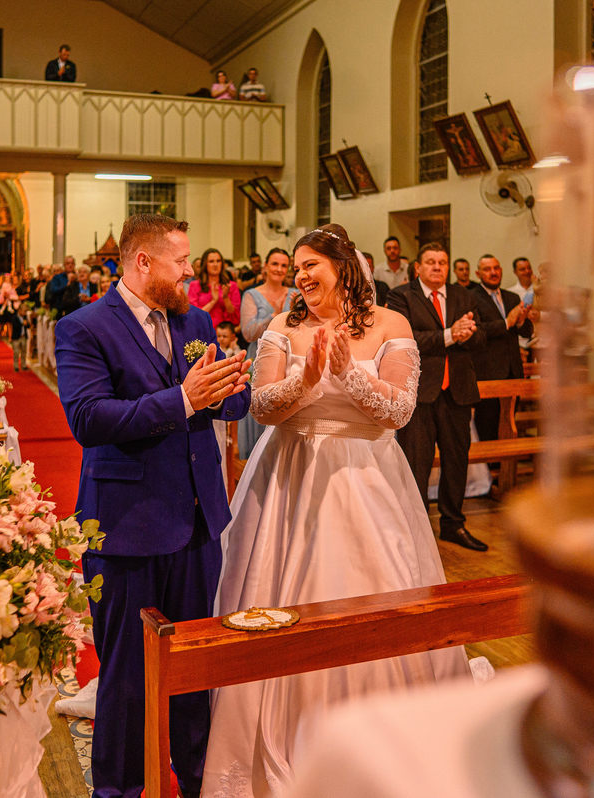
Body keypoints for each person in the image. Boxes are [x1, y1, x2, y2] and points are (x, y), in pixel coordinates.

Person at [202, 225, 469, 796]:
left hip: (368, 479)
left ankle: (387, 732)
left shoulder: (391, 326)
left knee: (378, 593)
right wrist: (307, 377)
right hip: (291, 476)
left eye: (309, 264)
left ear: (344, 267)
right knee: (280, 597)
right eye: (295, 266)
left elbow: (398, 411)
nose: (300, 275)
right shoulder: (282, 326)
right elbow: (263, 407)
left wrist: (348, 372)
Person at [54, 213, 252, 798]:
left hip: (196, 522)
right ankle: (118, 791)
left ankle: (199, 781)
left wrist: (230, 392)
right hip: (127, 527)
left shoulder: (193, 320)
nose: (192, 272)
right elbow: (89, 419)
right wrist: (182, 400)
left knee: (197, 668)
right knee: (127, 678)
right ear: (143, 262)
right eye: (182, 261)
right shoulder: (85, 327)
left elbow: (220, 406)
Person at [387, 242, 489, 551]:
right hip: (420, 394)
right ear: (417, 267)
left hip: (456, 391)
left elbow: (482, 338)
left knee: (456, 461)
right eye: (430, 262)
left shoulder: (464, 295)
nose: (437, 267)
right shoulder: (401, 296)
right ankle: (414, 529)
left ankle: (453, 524)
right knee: (416, 464)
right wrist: (450, 335)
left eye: (442, 262)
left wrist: (470, 334)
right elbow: (404, 340)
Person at [469, 255, 532, 456]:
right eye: (487, 269)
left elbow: (527, 331)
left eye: (496, 268)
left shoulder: (512, 298)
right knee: (488, 424)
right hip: (487, 371)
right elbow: (477, 331)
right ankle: (490, 473)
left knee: (509, 423)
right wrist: (507, 322)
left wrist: (521, 321)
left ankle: (508, 468)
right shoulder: (471, 297)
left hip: (513, 370)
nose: (493, 272)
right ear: (478, 274)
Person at [237, 247, 296, 458]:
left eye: (283, 265)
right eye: (275, 264)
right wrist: (275, 316)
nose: (279, 269)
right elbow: (249, 332)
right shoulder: (252, 295)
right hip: (259, 358)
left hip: (289, 359)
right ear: (265, 267)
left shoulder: (295, 294)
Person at [189, 248, 241, 327]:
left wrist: (225, 297)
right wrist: (213, 301)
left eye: (218, 261)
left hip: (224, 334)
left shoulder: (231, 286)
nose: (215, 264)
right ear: (205, 264)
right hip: (203, 331)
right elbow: (194, 316)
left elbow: (235, 317)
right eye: (211, 261)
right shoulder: (195, 285)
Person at [9, 302, 29, 372]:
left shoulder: (25, 317)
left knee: (24, 352)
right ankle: (16, 366)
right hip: (16, 337)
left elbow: (28, 325)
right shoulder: (15, 317)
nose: (24, 313)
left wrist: (27, 324)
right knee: (16, 352)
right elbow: (14, 326)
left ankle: (23, 365)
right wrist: (22, 323)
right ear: (19, 310)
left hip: (23, 336)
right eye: (24, 311)